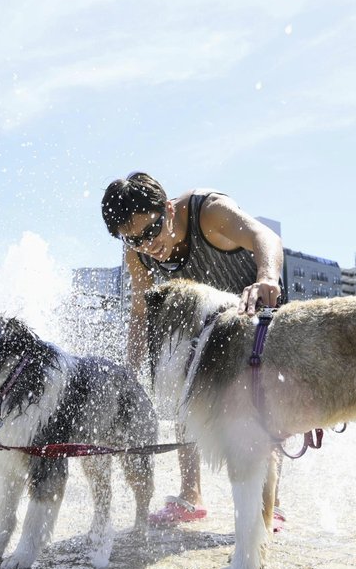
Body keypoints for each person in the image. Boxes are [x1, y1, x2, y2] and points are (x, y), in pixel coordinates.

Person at [101, 172, 285, 526]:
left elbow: (266, 236)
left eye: (151, 232)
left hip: (252, 300)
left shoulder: (209, 212)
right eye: (134, 240)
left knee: (259, 399)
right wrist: (130, 369)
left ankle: (269, 503)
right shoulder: (138, 253)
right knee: (178, 385)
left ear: (169, 210)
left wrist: (266, 279)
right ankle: (191, 496)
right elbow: (140, 315)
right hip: (203, 316)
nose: (147, 245)